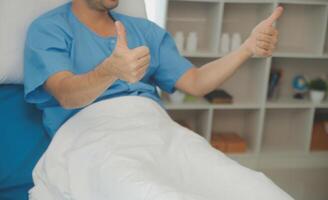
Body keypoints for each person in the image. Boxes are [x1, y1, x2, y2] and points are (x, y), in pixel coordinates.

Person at [24, 0, 283, 137]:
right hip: (91, 135)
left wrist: (247, 48)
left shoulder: (145, 31)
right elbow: (65, 94)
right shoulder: (49, 29)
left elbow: (196, 82)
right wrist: (109, 70)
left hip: (153, 130)